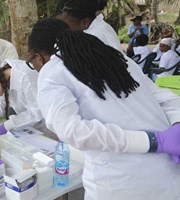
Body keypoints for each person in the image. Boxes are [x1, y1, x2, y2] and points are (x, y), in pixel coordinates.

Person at [29, 18, 180, 200]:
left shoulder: (52, 73)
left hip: (121, 184)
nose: (35, 67)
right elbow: (163, 97)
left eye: (32, 62)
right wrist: (176, 124)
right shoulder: (116, 57)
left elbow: (73, 131)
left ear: (39, 56)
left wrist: (154, 141)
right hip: (169, 176)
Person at [55, 0, 123, 53]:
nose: (61, 29)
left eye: (64, 25)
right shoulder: (88, 32)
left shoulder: (97, 36)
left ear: (85, 23)